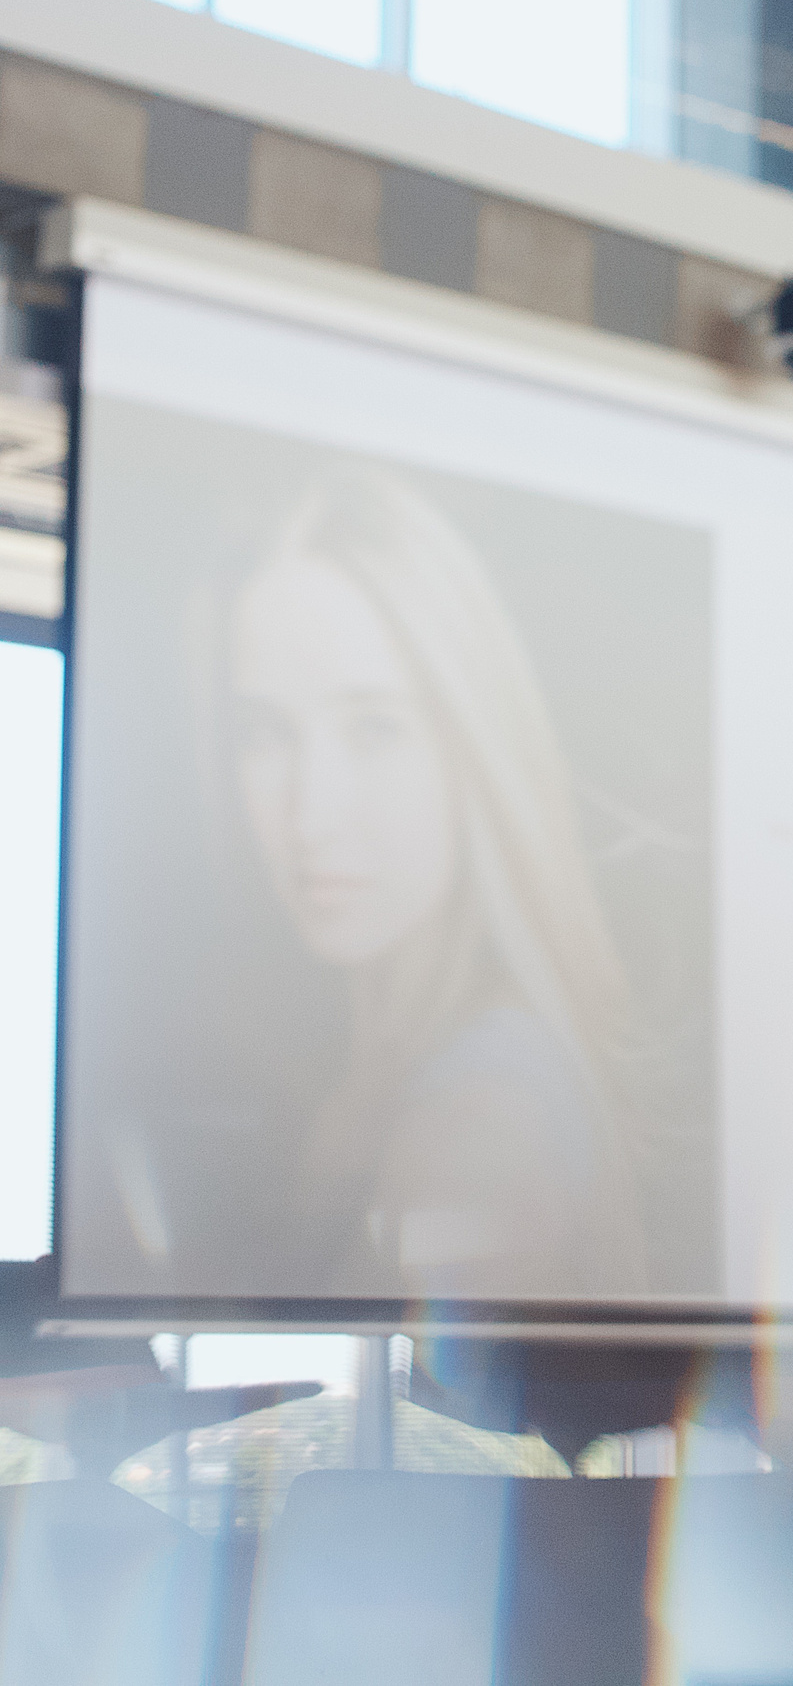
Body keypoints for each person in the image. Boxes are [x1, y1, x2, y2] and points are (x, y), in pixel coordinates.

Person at [227, 470, 651, 1299]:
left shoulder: (479, 1120)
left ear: (472, 749)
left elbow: (449, 1426)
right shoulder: (373, 1055)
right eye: (266, 733)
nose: (312, 815)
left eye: (374, 728)